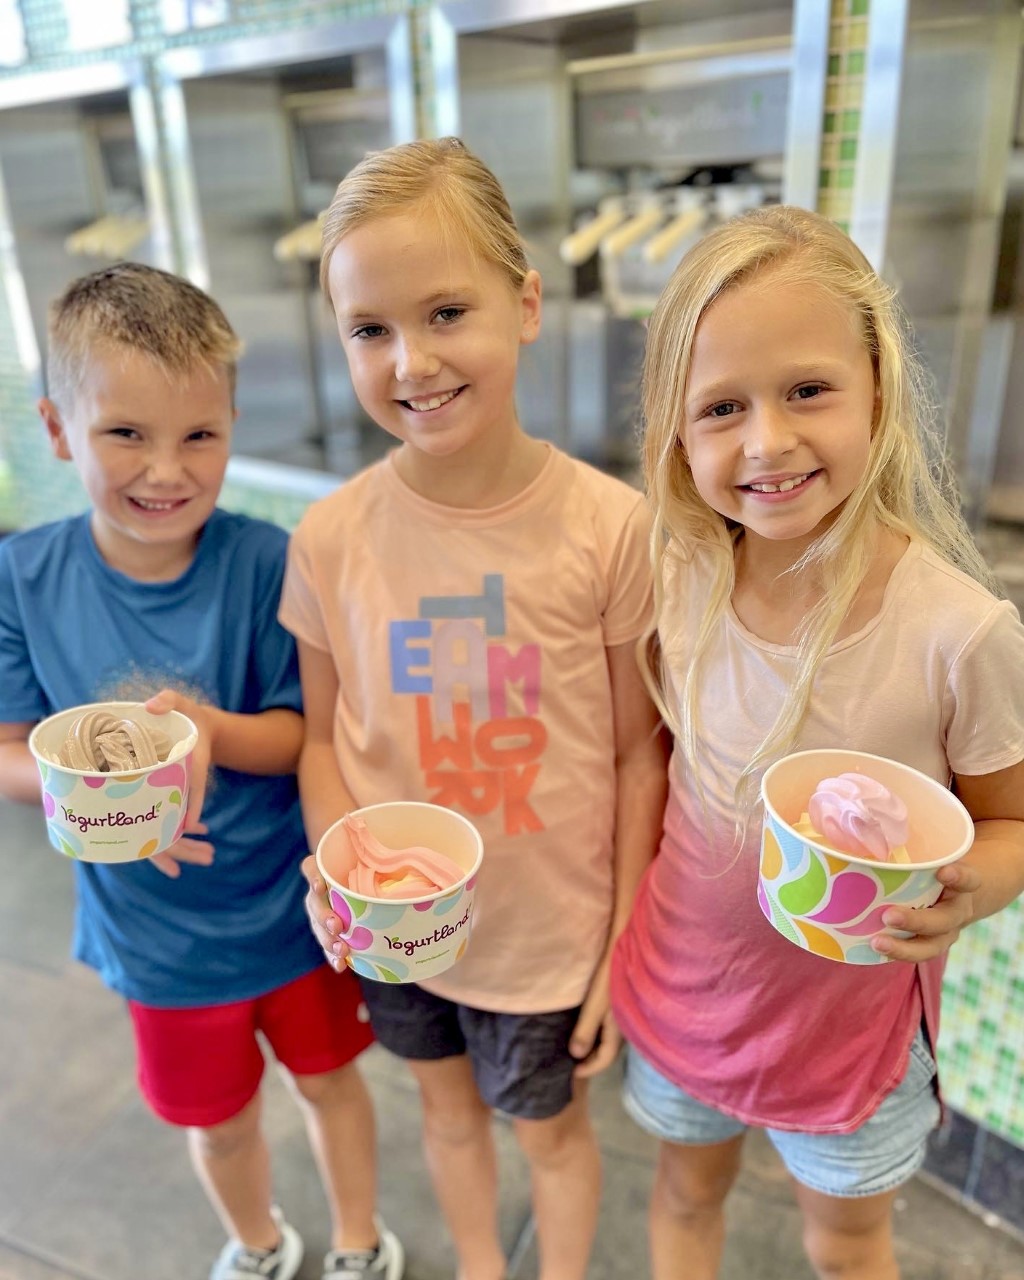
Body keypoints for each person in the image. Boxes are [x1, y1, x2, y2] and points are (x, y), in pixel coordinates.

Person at [609, 204, 1024, 1280]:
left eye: (807, 390)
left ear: (877, 387)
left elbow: (1011, 822)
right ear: (676, 432)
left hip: (850, 1032)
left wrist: (964, 893)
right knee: (683, 1196)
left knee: (847, 1246)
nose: (767, 441)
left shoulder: (959, 631)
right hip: (687, 988)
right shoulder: (679, 575)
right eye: (721, 407)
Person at [282, 137, 669, 1280]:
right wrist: (339, 872)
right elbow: (322, 737)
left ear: (527, 304)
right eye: (369, 329)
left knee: (549, 1136)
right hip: (397, 932)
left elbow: (639, 756)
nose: (412, 360)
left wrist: (619, 943)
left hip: (546, 939)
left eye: (447, 312)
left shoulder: (610, 528)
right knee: (445, 1116)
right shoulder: (330, 536)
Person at [0, 263, 404, 1280]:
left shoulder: (270, 561)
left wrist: (211, 731)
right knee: (217, 1121)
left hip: (290, 913)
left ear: (232, 426)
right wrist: (93, 793)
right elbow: (9, 749)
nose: (165, 469)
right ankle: (258, 1243)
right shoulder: (22, 579)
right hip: (157, 940)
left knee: (331, 1084)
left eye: (199, 436)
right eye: (125, 432)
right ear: (57, 429)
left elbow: (303, 732)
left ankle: (359, 1241)